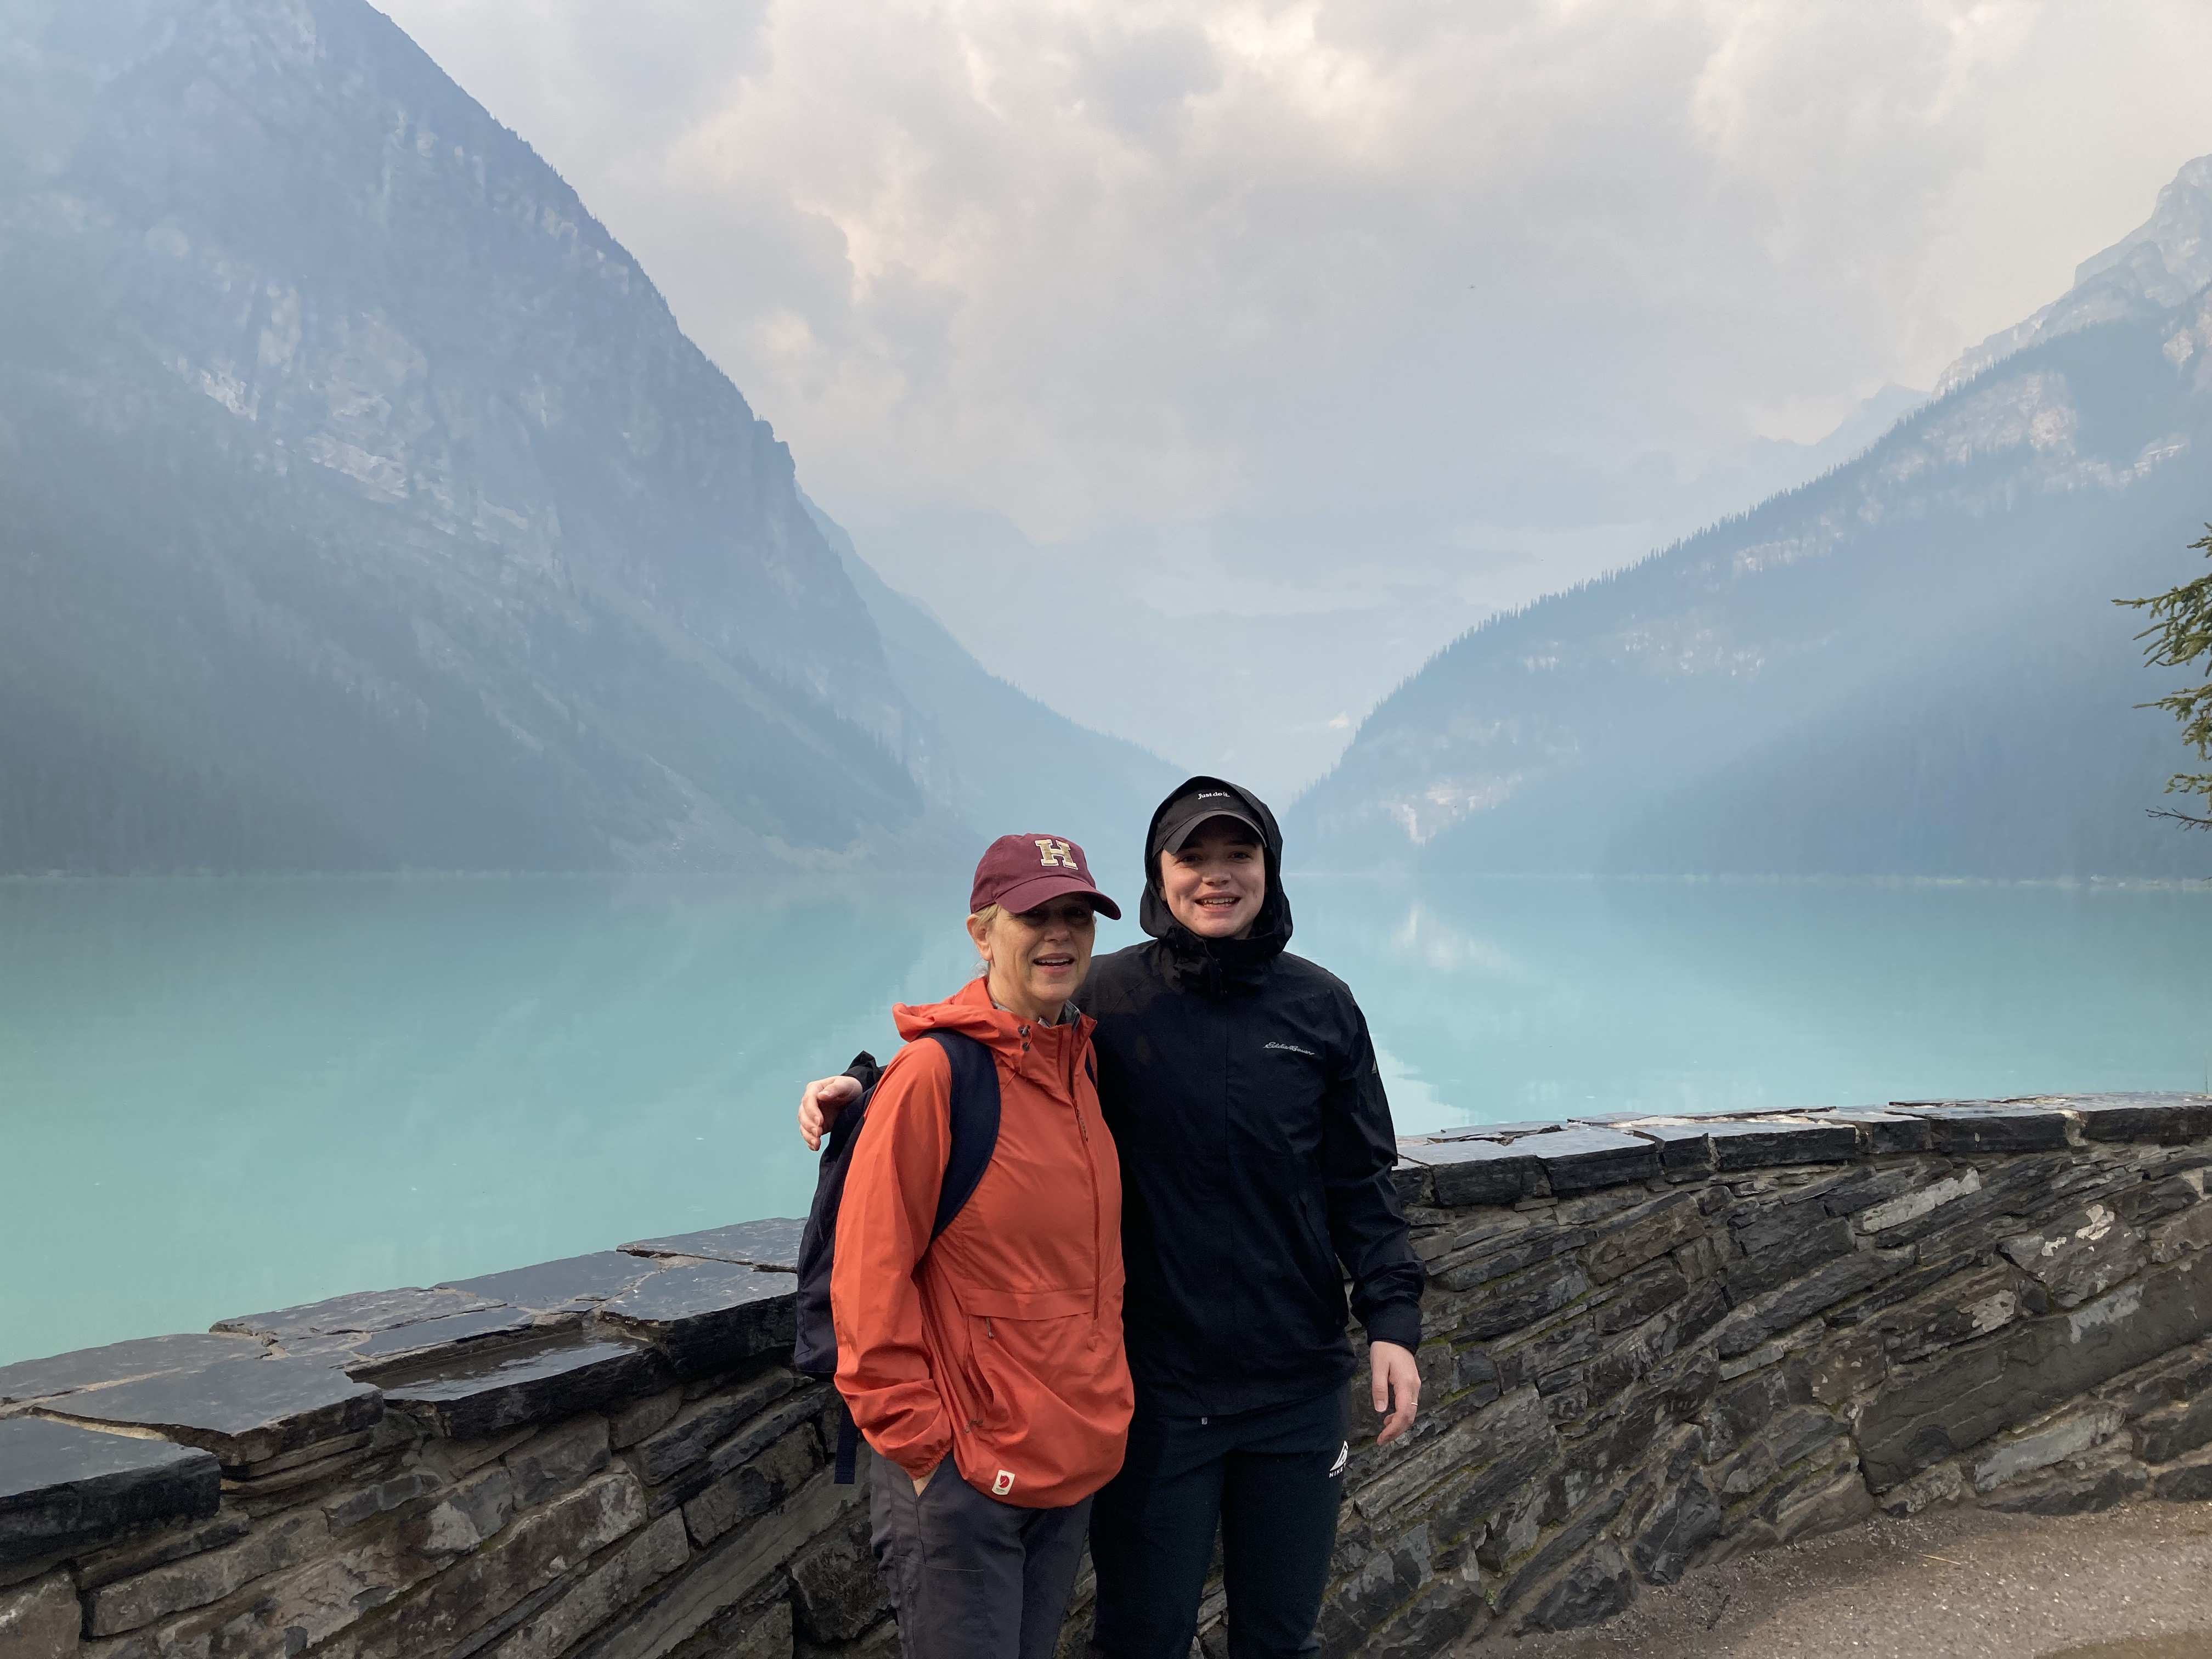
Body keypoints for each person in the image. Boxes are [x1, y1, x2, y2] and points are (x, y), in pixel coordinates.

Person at [805, 779, 1425, 1659]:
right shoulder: (1108, 998)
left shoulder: (1320, 1007)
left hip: (1297, 1386)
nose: (1216, 877)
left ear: (1270, 870)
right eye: (1192, 858)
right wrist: (866, 1092)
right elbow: (987, 1031)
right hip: (1157, 1398)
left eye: (1237, 856)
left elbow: (1361, 1179)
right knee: (1141, 1640)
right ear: (1159, 876)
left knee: (1283, 1641)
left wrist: (1393, 1320)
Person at [832, 832, 1135, 1659]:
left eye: (1076, 915)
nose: (1060, 936)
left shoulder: (1080, 1065)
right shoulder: (935, 1077)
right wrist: (922, 1449)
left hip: (1066, 1462)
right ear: (981, 931)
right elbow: (868, 1279)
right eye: (1035, 915)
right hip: (966, 1475)